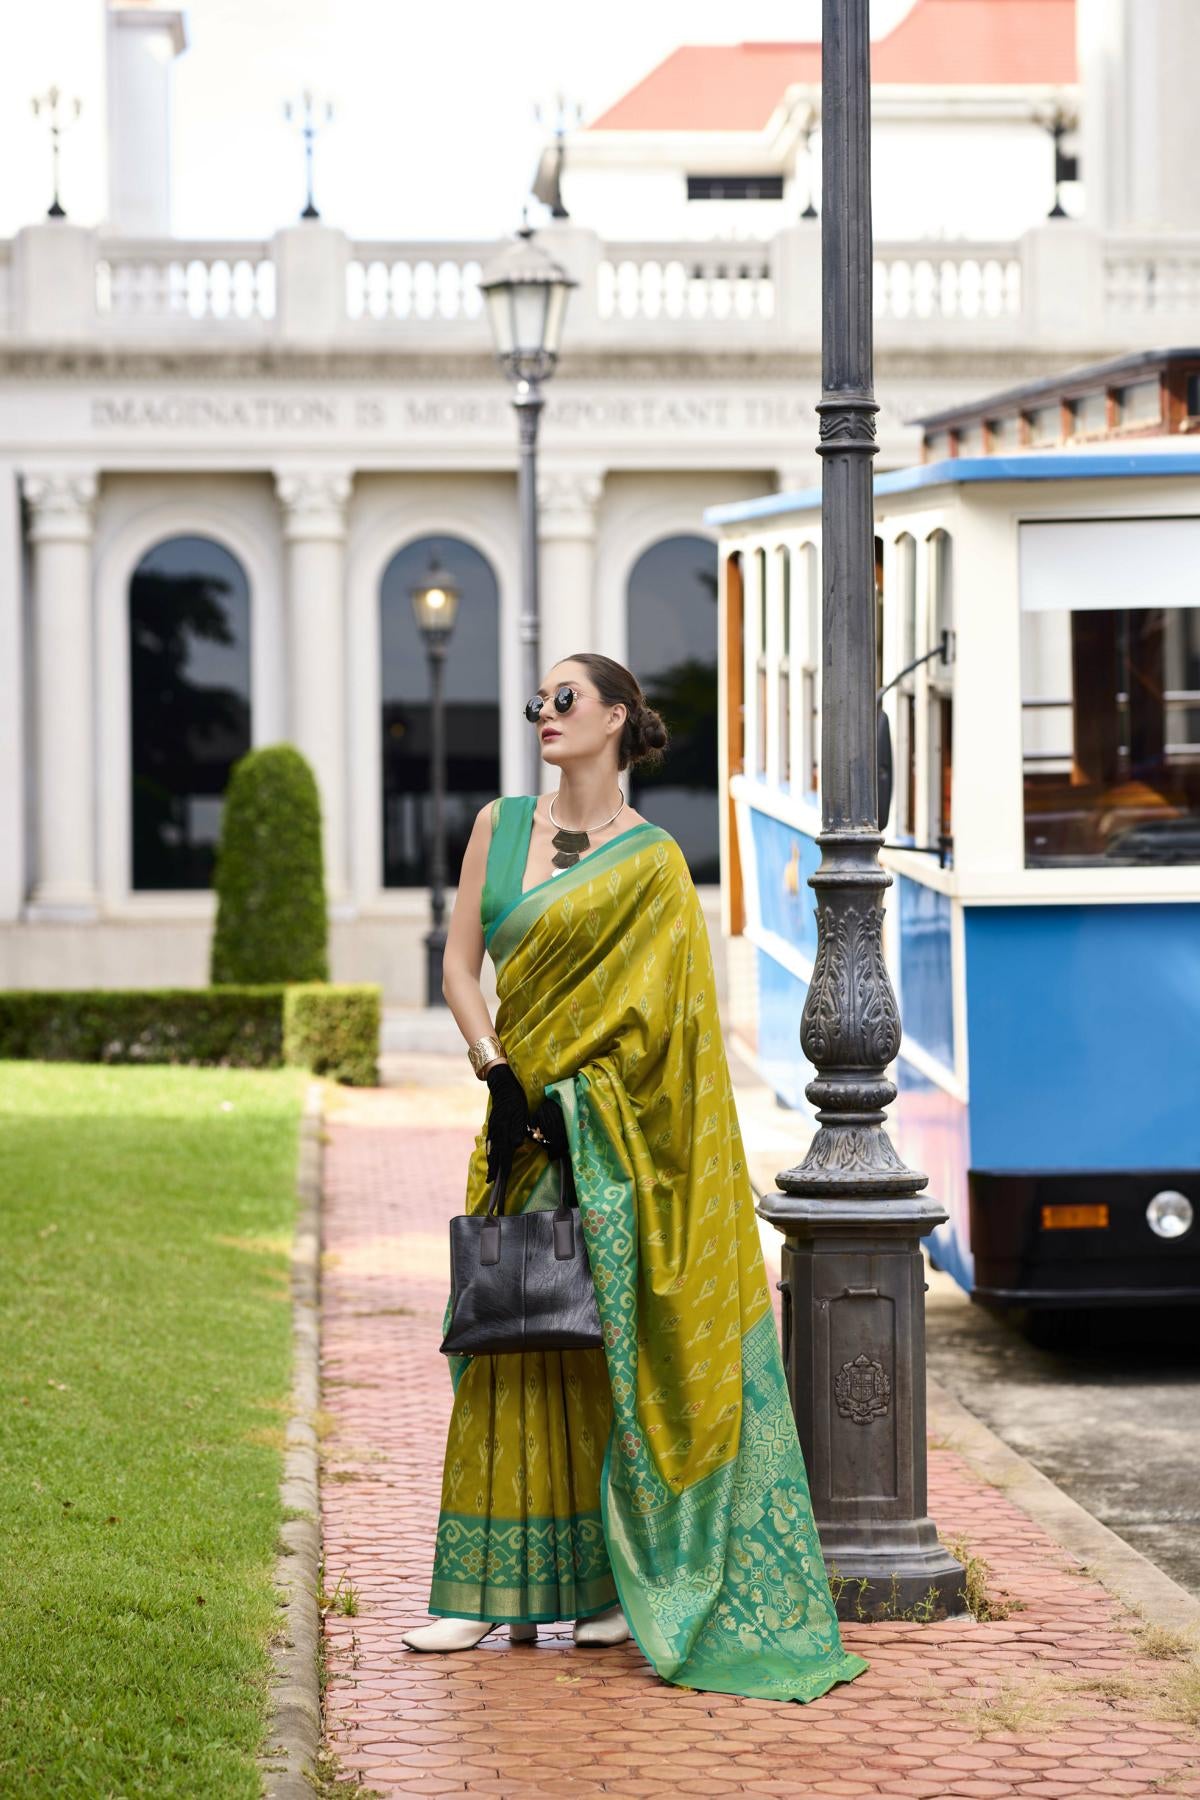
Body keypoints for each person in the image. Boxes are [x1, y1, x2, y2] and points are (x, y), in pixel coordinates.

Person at [401, 653, 869, 1703]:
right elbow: (460, 965)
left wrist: (585, 1110)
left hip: (612, 1140)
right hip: (518, 1131)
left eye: (566, 698)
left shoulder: (653, 863)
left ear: (616, 717)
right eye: (539, 699)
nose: (545, 712)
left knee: (613, 1349)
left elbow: (672, 1033)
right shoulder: (498, 826)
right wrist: (497, 1072)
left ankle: (614, 1585)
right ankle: (480, 1593)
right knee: (510, 1338)